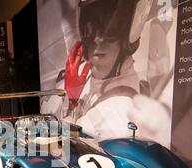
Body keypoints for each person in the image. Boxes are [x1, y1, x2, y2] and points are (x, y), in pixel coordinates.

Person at [41, 0, 153, 139]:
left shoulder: (119, 109)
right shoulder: (88, 73)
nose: (98, 39)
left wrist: (71, 103)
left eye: (112, 30)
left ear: (131, 31)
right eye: (90, 29)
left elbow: (69, 143)